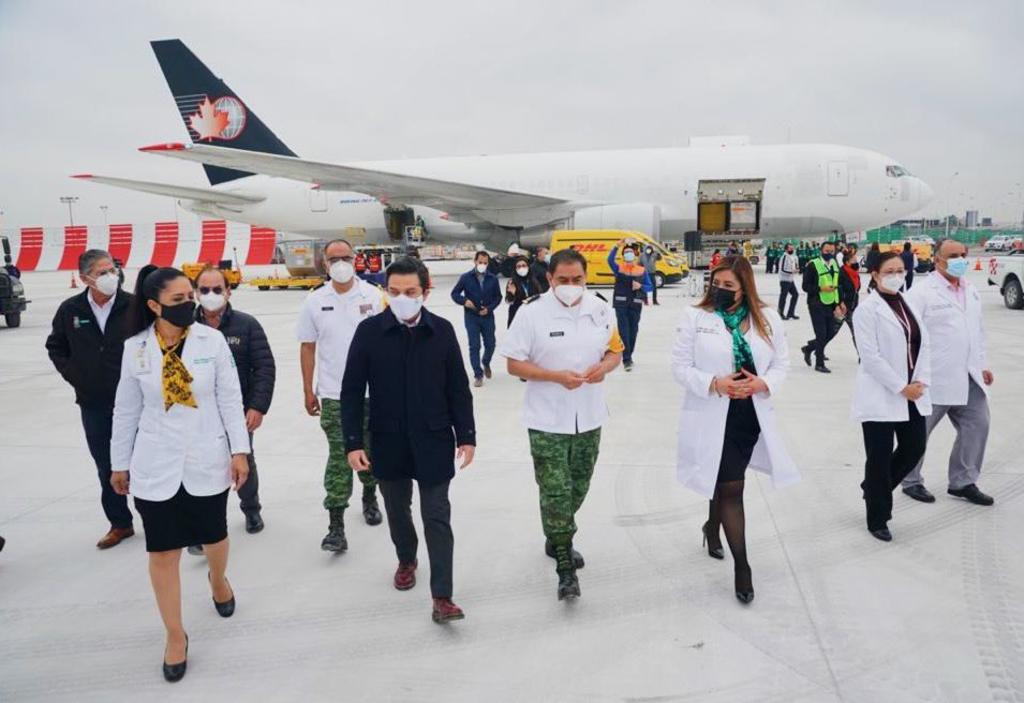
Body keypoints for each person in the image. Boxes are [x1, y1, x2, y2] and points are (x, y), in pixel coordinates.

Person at [110, 265, 251, 682]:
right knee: (162, 552)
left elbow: (230, 398)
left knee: (214, 537)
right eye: (178, 300)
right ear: (154, 306)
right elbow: (126, 409)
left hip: (206, 453)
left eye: (191, 297)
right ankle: (175, 634)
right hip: (156, 461)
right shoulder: (135, 348)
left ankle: (218, 580)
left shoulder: (212, 340)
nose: (189, 304)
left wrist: (240, 451)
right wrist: (119, 462)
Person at [342, 257, 475, 624]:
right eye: (394, 292)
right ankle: (406, 558)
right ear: (386, 292)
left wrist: (466, 435)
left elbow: (458, 388)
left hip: (434, 438)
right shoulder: (369, 332)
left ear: (425, 292)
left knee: (437, 516)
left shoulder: (442, 331)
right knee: (398, 510)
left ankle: (442, 596)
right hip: (388, 440)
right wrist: (353, 442)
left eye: (410, 291)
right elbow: (351, 391)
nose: (402, 298)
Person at [498, 248, 624, 600]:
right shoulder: (531, 312)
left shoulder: (601, 309)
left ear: (586, 277)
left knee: (578, 486)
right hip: (546, 419)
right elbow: (514, 364)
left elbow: (615, 351)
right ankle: (565, 564)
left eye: (577, 279)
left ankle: (555, 535)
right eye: (563, 280)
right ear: (550, 279)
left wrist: (605, 367)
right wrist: (554, 376)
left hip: (590, 416)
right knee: (555, 489)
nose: (571, 285)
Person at [672, 256, 797, 604]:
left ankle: (712, 526)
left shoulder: (768, 319)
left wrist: (762, 383)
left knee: (724, 476)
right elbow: (679, 367)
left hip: (749, 414)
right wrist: (715, 383)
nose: (720, 290)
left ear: (745, 288)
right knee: (732, 488)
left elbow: (782, 364)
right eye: (716, 284)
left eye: (729, 285)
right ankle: (743, 566)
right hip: (712, 410)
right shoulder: (695, 317)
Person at [297, 238, 386, 554]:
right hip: (334, 395)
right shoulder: (314, 301)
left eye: (345, 257)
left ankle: (370, 495)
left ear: (355, 259)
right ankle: (336, 525)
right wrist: (308, 389)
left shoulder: (374, 297)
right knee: (339, 456)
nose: (340, 264)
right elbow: (308, 347)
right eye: (333, 259)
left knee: (371, 449)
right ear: (324, 263)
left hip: (372, 393)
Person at [45, 249, 136, 549]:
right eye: (102, 272)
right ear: (85, 278)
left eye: (113, 270)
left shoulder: (133, 305)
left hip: (135, 402)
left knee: (144, 461)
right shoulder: (70, 310)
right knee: (106, 465)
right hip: (94, 402)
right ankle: (120, 523)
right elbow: (56, 346)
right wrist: (76, 375)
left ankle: (159, 518)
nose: (111, 276)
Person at [186, 266, 276, 553]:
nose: (211, 295)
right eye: (204, 290)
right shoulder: (185, 327)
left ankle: (251, 508)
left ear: (228, 291)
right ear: (195, 293)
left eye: (217, 289)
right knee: (200, 467)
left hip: (238, 411)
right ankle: (203, 526)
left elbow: (264, 368)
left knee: (242, 459)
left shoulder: (246, 325)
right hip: (197, 414)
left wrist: (257, 406)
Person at [901, 239, 995, 506]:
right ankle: (910, 480)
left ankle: (963, 481)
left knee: (978, 425)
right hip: (933, 378)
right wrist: (911, 374)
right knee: (919, 433)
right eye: (953, 255)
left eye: (963, 254)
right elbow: (906, 335)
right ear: (937, 259)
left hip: (969, 375)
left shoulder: (971, 290)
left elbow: (977, 331)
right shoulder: (922, 293)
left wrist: (983, 364)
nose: (960, 260)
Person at [851, 252, 931, 542]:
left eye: (900, 270)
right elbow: (870, 357)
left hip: (912, 392)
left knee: (914, 447)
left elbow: (923, 346)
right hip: (881, 394)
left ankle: (874, 488)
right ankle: (878, 517)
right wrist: (901, 387)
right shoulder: (866, 310)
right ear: (875, 274)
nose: (897, 276)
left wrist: (921, 380)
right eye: (889, 271)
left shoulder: (908, 304)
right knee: (879, 457)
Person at [450, 250, 502, 387]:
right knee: (474, 346)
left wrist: (489, 309)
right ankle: (478, 375)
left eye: (485, 263)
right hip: (471, 316)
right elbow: (454, 293)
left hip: (487, 316)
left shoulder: (493, 278)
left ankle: (486, 362)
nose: (482, 265)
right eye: (480, 262)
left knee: (490, 344)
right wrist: (464, 301)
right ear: (475, 261)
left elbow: (498, 297)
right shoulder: (466, 277)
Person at [607, 240, 652, 371]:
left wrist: (641, 286)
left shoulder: (641, 271)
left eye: (630, 252)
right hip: (621, 304)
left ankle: (629, 355)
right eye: (626, 252)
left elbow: (650, 287)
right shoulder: (618, 269)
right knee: (624, 331)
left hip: (635, 304)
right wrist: (617, 246)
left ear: (635, 255)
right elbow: (609, 260)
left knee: (633, 332)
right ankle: (627, 359)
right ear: (623, 256)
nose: (628, 254)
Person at [800, 241, 841, 373]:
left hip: (831, 303)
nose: (829, 254)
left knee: (830, 332)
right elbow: (805, 286)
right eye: (826, 251)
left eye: (832, 251)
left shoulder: (834, 264)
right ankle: (819, 363)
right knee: (821, 333)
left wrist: (838, 304)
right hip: (816, 303)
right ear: (821, 251)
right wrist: (820, 288)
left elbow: (837, 284)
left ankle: (809, 348)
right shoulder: (813, 265)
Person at [834, 246, 862, 349]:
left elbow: (856, 289)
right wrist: (840, 303)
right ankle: (810, 348)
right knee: (831, 333)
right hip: (843, 308)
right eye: (854, 260)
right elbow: (838, 289)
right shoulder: (841, 273)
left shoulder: (854, 273)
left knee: (857, 333)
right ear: (847, 262)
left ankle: (861, 356)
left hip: (852, 307)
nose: (856, 262)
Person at [505, 255, 544, 327]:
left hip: (532, 315)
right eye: (518, 266)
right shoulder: (512, 282)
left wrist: (517, 293)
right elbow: (508, 301)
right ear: (515, 269)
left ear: (528, 267)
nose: (521, 268)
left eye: (524, 265)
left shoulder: (533, 280)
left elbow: (539, 296)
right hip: (517, 315)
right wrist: (512, 295)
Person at [777, 243, 800, 320]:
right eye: (790, 248)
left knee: (795, 295)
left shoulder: (791, 257)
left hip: (790, 280)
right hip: (784, 280)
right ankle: (780, 313)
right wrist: (792, 271)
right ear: (786, 249)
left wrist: (796, 269)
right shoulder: (784, 257)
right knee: (783, 297)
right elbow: (782, 269)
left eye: (792, 248)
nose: (792, 250)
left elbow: (793, 266)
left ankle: (791, 313)